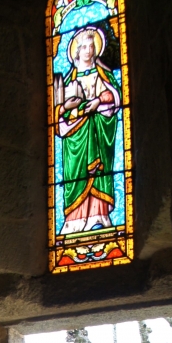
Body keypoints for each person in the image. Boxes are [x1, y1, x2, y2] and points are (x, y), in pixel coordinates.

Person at [56, 27, 120, 235]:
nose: (88, 50)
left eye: (91, 46)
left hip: (97, 129)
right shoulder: (66, 81)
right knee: (77, 176)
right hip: (74, 137)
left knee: (99, 171)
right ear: (76, 51)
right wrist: (67, 107)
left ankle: (98, 216)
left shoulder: (103, 74)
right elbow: (58, 113)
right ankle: (75, 221)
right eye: (83, 46)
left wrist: (97, 101)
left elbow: (115, 98)